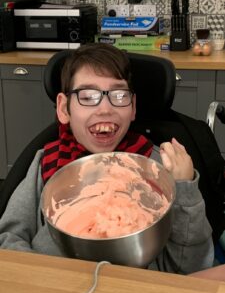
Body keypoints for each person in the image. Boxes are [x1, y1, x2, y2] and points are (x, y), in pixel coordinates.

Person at [0, 43, 214, 274]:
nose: (105, 108)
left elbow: (190, 268)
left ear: (132, 107)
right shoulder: (46, 163)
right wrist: (47, 277)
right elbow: (8, 240)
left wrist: (185, 190)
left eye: (119, 95)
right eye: (88, 96)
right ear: (63, 108)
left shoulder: (158, 170)